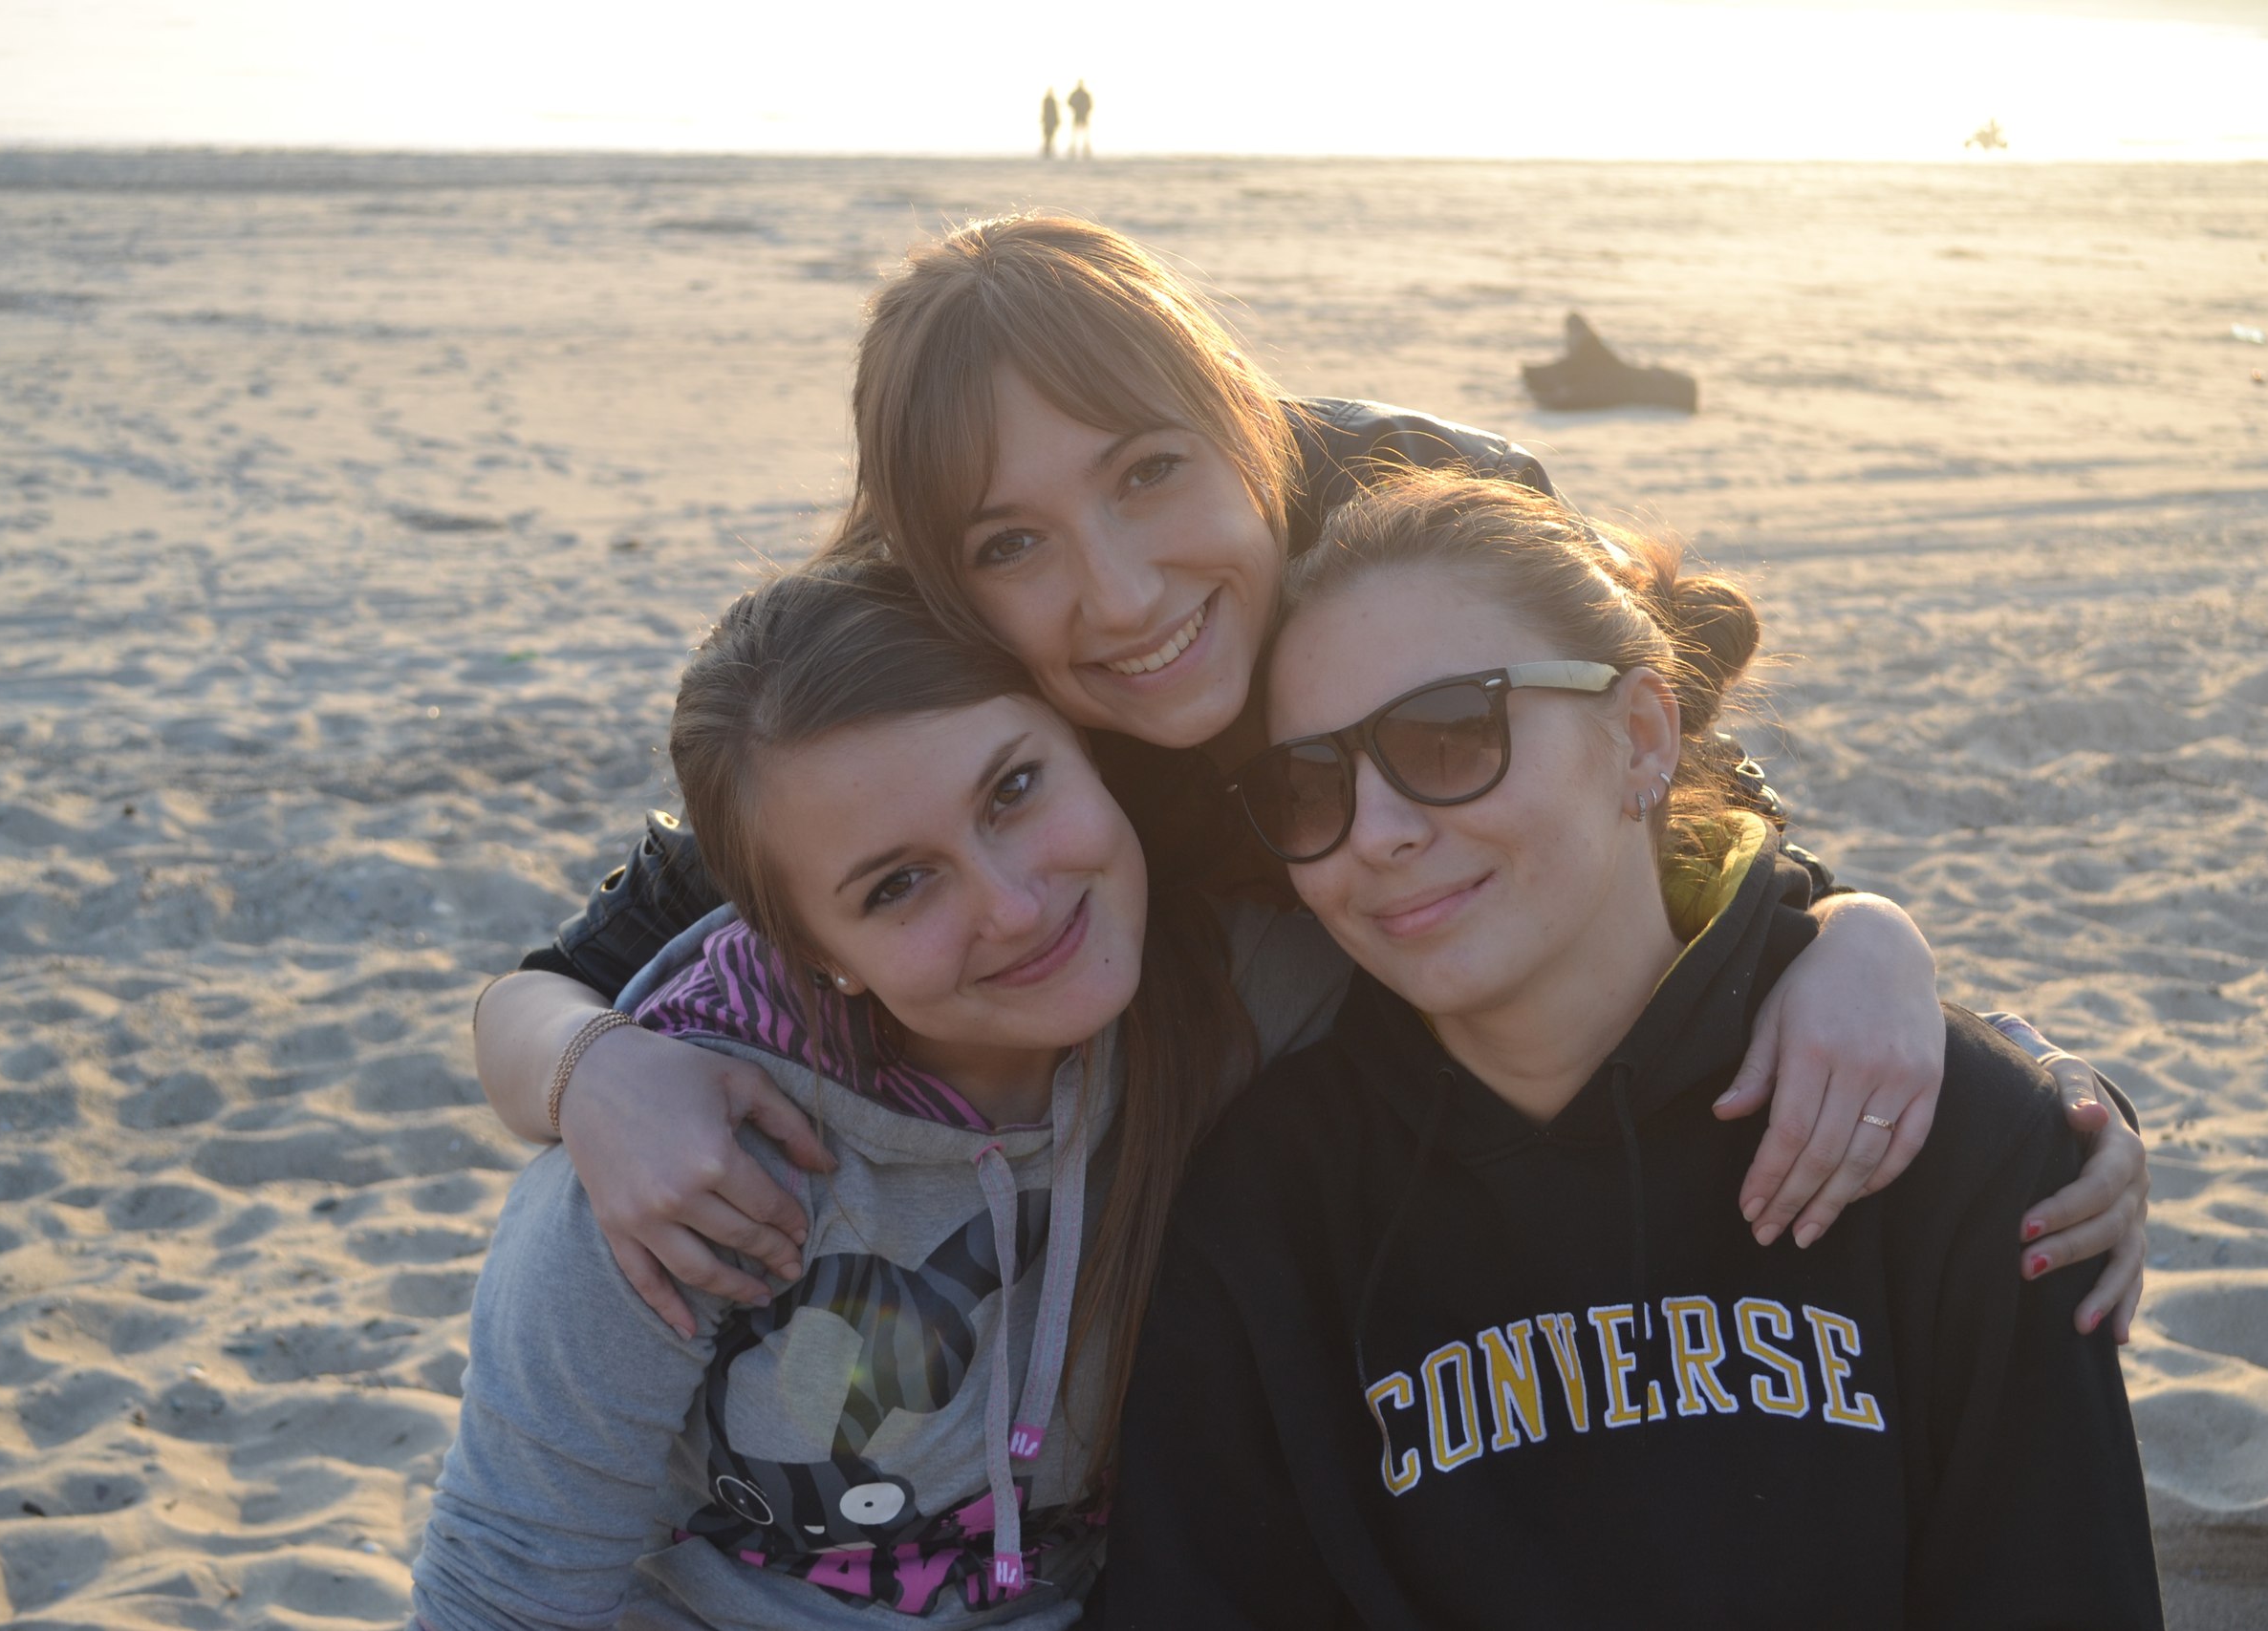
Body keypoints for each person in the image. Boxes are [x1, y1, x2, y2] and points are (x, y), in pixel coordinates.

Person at [470, 212, 2148, 1356]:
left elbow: (1662, 787)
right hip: (1249, 1204)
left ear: (1242, 419)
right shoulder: (933, 662)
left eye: (1150, 469)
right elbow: (563, 975)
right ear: (942, 578)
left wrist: (1866, 939)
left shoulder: (1422, 513)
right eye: (1011, 542)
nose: (1121, 591)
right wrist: (599, 1074)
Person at [1103, 471, 2164, 1628]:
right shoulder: (1264, 1213)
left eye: (1448, 736)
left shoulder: (1949, 1140)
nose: (1378, 834)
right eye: (1309, 788)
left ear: (1641, 736)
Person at [417, 559, 1349, 1628]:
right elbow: (505, 1588)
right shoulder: (684, 1164)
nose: (1013, 906)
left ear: (1088, 748)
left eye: (1014, 789)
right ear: (815, 951)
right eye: (898, 885)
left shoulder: (1242, 995)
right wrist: (576, 1057)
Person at [1067, 80, 1092, 158]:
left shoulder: (1084, 94)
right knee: (1075, 135)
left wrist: (1085, 110)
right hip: (1078, 115)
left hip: (1082, 116)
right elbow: (1069, 102)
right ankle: (1074, 150)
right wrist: (1075, 108)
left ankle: (1085, 150)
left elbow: (1090, 105)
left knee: (1084, 135)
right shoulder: (1079, 94)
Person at [1041, 88, 1060, 159]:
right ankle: (1047, 151)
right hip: (1048, 122)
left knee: (1050, 137)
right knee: (1048, 138)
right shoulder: (1048, 101)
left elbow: (1055, 112)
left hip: (1050, 122)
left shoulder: (1050, 101)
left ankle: (1048, 151)